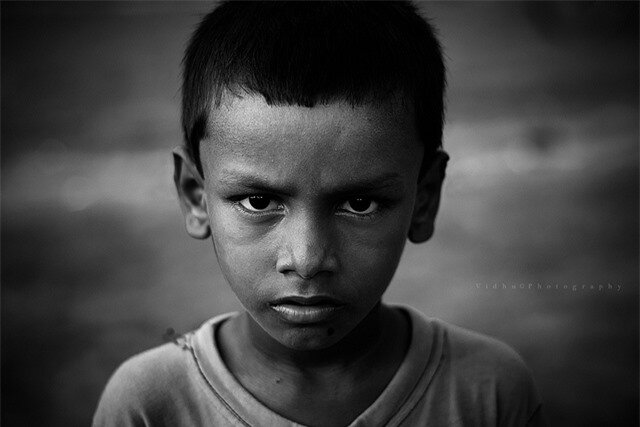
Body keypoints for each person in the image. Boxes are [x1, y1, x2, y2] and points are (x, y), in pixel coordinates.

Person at [93, 1, 544, 425]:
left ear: (424, 199)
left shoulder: (488, 391)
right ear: (196, 194)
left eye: (359, 204)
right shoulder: (150, 404)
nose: (307, 259)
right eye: (259, 202)